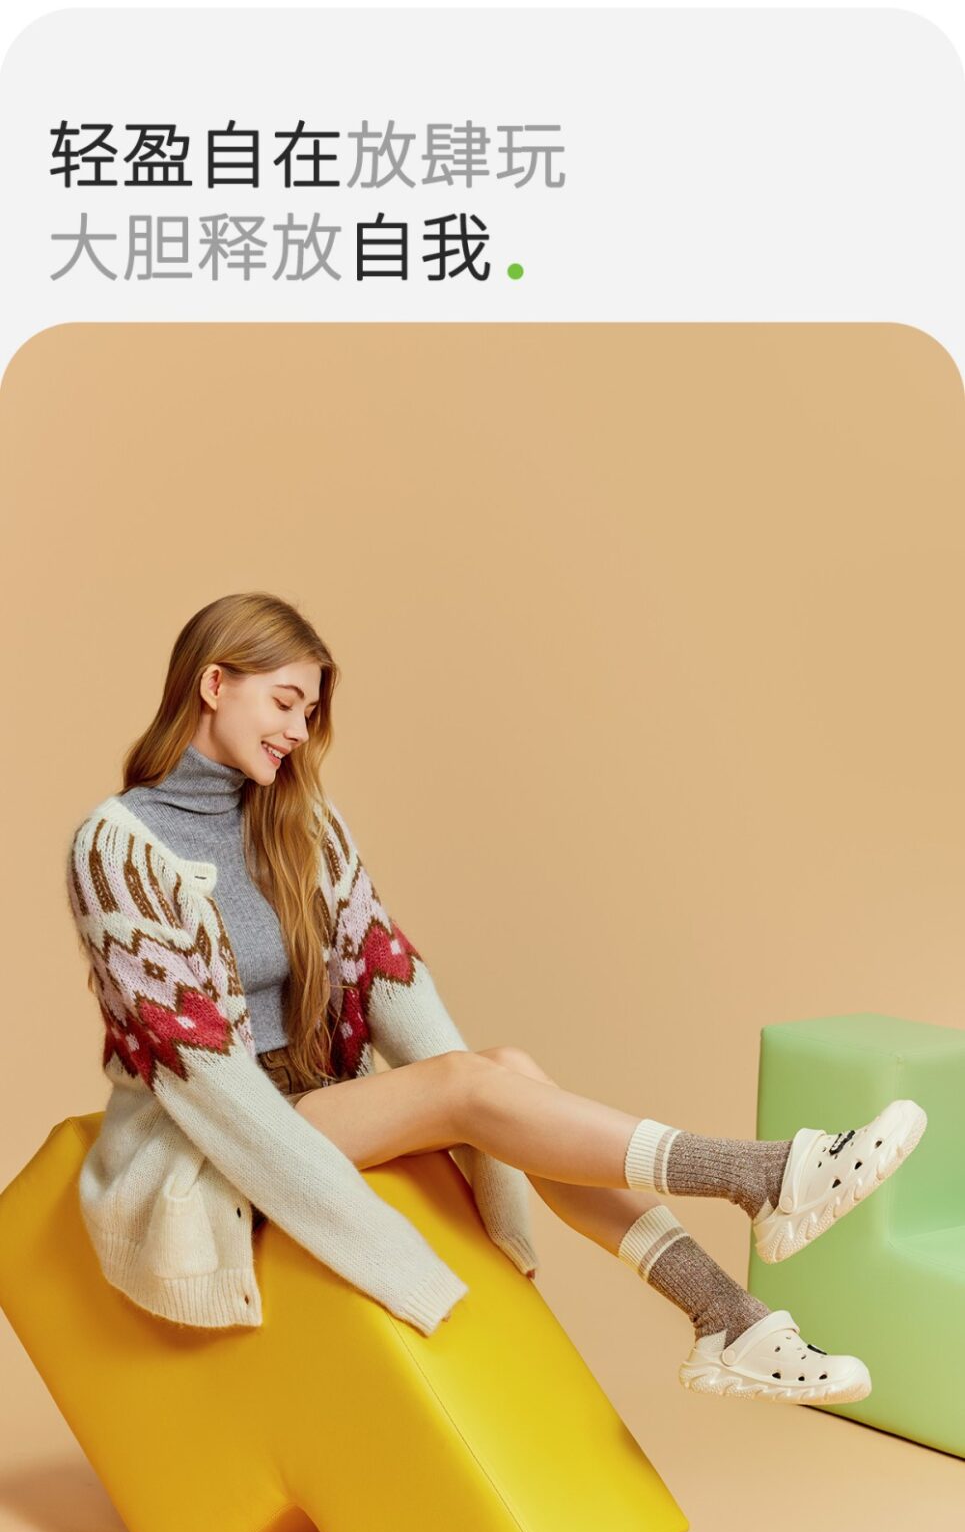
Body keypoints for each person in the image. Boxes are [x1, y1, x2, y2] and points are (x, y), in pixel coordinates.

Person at [66, 591, 927, 1401]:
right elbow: (207, 1079)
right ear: (214, 684)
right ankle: (756, 1176)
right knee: (468, 1085)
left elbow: (390, 978)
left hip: (315, 1100)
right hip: (203, 1141)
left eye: (311, 712)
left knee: (499, 1068)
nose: (298, 730)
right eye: (284, 703)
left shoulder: (300, 821)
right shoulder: (118, 847)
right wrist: (391, 1240)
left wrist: (498, 1144)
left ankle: (726, 1318)